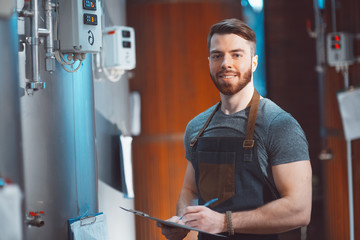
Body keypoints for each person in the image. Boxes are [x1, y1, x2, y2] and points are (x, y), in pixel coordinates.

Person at [157, 18, 312, 240]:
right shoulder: (197, 128)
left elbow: (299, 210)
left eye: (236, 55)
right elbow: (190, 191)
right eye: (217, 55)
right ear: (209, 61)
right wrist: (183, 220)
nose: (225, 64)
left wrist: (222, 222)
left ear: (254, 62)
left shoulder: (279, 125)